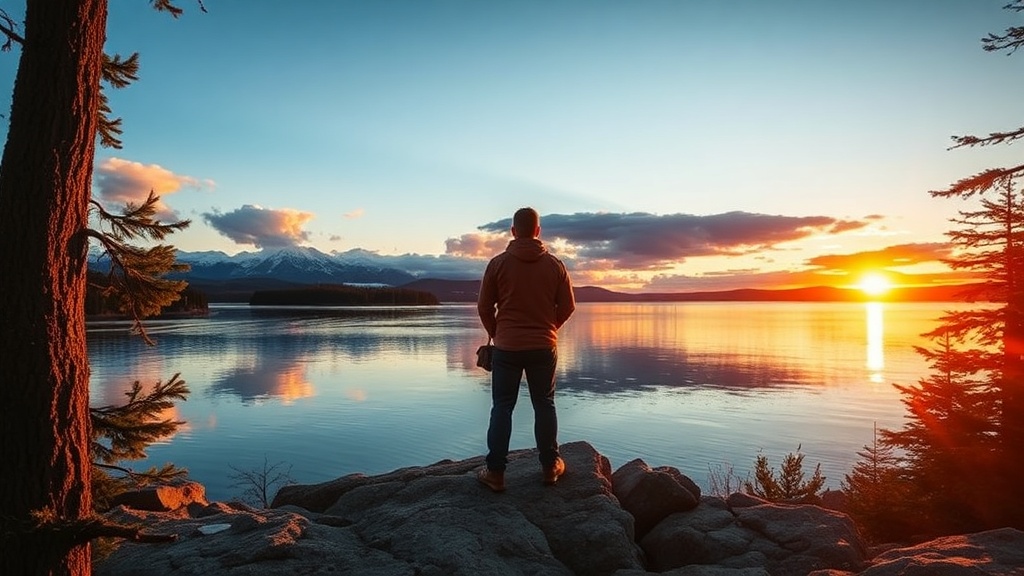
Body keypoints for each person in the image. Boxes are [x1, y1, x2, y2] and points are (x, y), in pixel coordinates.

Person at [476, 207, 576, 492]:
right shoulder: (555, 265)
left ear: (513, 231)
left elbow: (484, 307)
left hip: (507, 347)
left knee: (502, 407)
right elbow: (568, 306)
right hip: (544, 346)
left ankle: (496, 472)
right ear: (538, 231)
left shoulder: (498, 264)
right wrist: (550, 327)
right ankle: (550, 467)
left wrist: (498, 333)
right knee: (544, 404)